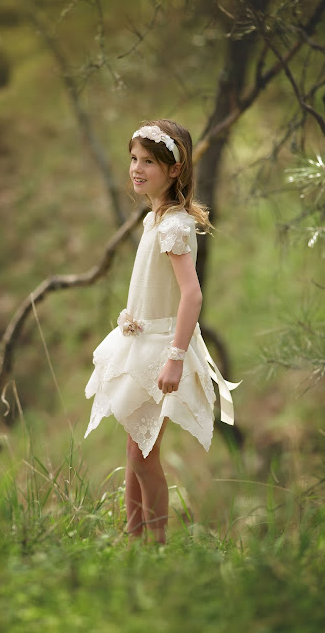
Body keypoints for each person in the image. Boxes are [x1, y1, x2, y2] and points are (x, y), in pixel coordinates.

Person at [85, 119, 240, 544]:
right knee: (135, 449)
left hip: (160, 349)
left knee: (144, 455)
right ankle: (134, 540)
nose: (137, 168)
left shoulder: (174, 225)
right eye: (134, 159)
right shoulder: (155, 219)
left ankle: (156, 545)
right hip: (140, 343)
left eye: (148, 162)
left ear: (175, 170)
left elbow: (192, 295)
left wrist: (174, 358)